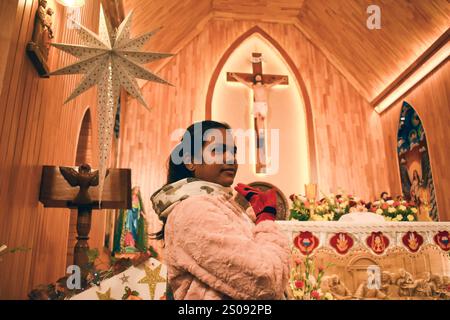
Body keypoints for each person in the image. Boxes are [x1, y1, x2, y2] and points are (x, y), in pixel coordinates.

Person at [150, 120, 290, 300]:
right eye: (217, 150)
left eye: (234, 152)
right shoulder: (193, 210)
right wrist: (265, 220)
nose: (230, 158)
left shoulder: (218, 206)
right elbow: (267, 281)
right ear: (191, 161)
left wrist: (252, 218)